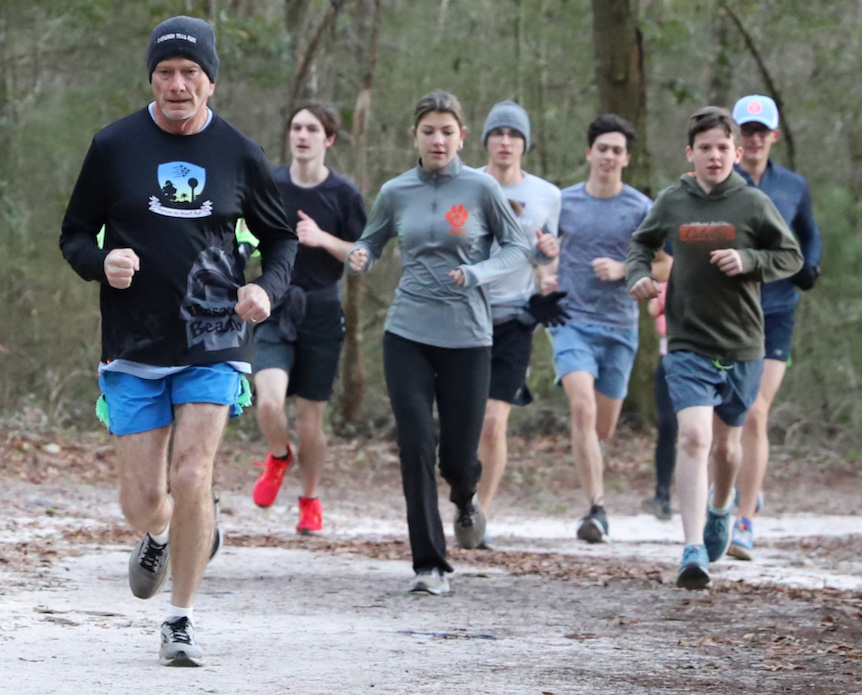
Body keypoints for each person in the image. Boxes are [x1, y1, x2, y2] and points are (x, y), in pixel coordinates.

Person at [59, 16, 297, 666]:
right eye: (165, 72)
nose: (177, 84)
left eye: (190, 72)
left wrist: (266, 288)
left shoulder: (239, 153)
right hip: (134, 341)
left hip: (215, 334)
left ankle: (180, 618)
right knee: (142, 500)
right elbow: (74, 233)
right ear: (152, 78)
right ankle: (161, 531)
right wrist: (100, 263)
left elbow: (280, 238)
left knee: (192, 471)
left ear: (210, 81)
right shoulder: (114, 146)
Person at [346, 90, 531, 595]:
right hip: (407, 331)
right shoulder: (396, 191)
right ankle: (429, 563)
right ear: (415, 136)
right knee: (415, 443)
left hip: (468, 336)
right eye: (428, 131)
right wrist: (360, 255)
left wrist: (479, 273)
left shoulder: (482, 188)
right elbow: (371, 239)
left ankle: (466, 497)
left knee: (457, 457)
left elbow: (518, 248)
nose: (438, 140)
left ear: (462, 137)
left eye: (447, 131)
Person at [626, 106, 803, 590]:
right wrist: (637, 275)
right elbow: (640, 245)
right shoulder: (672, 201)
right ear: (690, 153)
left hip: (743, 343)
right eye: (705, 147)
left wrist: (749, 259)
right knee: (694, 437)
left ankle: (721, 506)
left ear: (737, 153)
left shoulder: (752, 203)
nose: (715, 155)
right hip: (687, 340)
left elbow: (790, 256)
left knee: (727, 448)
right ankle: (692, 547)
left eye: (723, 147)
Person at [249, 101, 367, 535]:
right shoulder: (270, 184)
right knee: (268, 403)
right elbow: (245, 233)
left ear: (329, 139)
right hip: (274, 306)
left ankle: (310, 500)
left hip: (321, 311)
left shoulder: (344, 194)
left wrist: (322, 239)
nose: (302, 135)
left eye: (312, 129)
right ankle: (280, 456)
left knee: (310, 422)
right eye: (296, 127)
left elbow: (362, 257)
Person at [548, 114, 652, 544]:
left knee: (601, 428)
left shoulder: (641, 209)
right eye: (602, 148)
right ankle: (596, 509)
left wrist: (625, 269)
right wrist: (545, 274)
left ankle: (593, 454)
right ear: (589, 153)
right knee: (582, 409)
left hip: (619, 327)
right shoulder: (563, 202)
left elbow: (666, 264)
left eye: (617, 151)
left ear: (626, 159)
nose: (609, 156)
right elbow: (542, 251)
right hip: (571, 321)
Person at [728, 95, 823, 561]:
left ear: (774, 136)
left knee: (756, 411)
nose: (754, 139)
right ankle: (740, 481)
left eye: (761, 131)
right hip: (730, 310)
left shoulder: (792, 185)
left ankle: (744, 521)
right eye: (747, 131)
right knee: (728, 413)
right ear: (736, 136)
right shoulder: (721, 182)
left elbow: (810, 234)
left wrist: (811, 266)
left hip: (778, 309)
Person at [474, 101, 563, 549]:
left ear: (524, 144)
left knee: (493, 423)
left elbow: (548, 260)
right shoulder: (466, 184)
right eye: (498, 134)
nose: (505, 142)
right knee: (462, 424)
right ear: (486, 141)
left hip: (514, 320)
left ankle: (479, 515)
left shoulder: (547, 195)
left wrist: (549, 262)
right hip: (465, 316)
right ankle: (460, 496)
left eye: (514, 135)